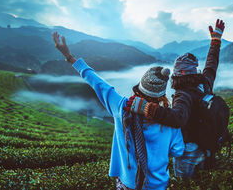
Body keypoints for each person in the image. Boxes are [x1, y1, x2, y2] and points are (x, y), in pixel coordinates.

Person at [52, 32, 184, 190]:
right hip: (157, 185)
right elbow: (177, 150)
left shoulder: (122, 107)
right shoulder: (170, 121)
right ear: (162, 95)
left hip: (128, 183)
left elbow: (97, 82)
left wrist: (69, 56)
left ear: (139, 88)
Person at [125, 19, 225, 178]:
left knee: (184, 184)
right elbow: (211, 66)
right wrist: (215, 41)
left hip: (190, 149)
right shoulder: (205, 82)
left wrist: (147, 108)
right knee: (204, 179)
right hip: (207, 144)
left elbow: (178, 118)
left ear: (179, 74)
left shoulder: (183, 95)